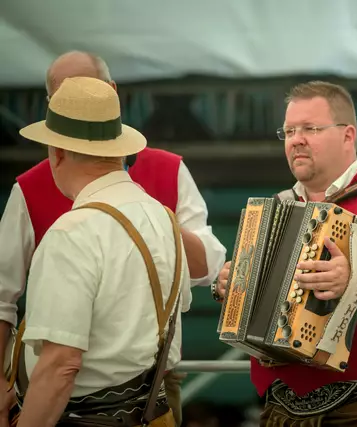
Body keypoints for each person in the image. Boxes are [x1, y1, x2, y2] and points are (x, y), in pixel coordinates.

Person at [0, 51, 227, 426]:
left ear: (57, 149)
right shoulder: (163, 217)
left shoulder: (71, 231)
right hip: (149, 409)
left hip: (79, 410)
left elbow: (60, 365)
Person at [212, 80, 357, 425]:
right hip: (279, 407)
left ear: (348, 135)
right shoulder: (280, 206)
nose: (296, 139)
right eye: (289, 131)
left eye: (311, 128)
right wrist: (230, 287)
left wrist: (354, 281)